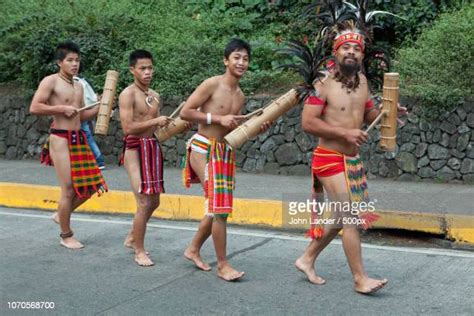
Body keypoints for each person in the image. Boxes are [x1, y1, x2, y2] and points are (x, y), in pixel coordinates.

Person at [294, 24, 407, 294]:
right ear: (336, 52)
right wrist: (345, 132)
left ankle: (306, 258)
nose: (352, 52)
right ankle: (360, 279)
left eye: (357, 48)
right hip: (329, 158)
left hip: (351, 161)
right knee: (352, 217)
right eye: (346, 47)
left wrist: (389, 114)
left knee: (340, 218)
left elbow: (368, 115)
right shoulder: (322, 83)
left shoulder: (363, 82)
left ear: (362, 55)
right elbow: (308, 123)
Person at [180, 38, 271, 281]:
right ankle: (223, 265)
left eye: (245, 59)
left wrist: (256, 129)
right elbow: (186, 112)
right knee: (219, 209)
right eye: (237, 57)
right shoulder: (212, 84)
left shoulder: (240, 95)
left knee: (215, 207)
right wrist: (218, 119)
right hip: (203, 148)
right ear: (226, 60)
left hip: (224, 152)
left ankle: (193, 249)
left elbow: (233, 130)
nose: (241, 62)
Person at [30, 41, 107, 249]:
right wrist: (62, 108)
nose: (75, 64)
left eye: (77, 60)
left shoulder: (79, 85)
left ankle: (61, 214)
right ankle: (66, 235)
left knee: (92, 186)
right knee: (68, 189)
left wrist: (102, 107)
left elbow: (81, 115)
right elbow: (35, 106)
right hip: (60, 138)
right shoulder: (50, 81)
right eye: (70, 60)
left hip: (78, 137)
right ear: (59, 62)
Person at [118, 49, 173, 267]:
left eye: (150, 67)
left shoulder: (155, 95)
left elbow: (156, 127)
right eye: (142, 68)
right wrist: (155, 121)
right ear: (132, 70)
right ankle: (139, 250)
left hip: (151, 146)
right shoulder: (127, 94)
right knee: (143, 200)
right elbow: (127, 127)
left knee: (155, 200)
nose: (147, 72)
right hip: (133, 149)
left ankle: (133, 236)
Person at [74, 76, 105, 169]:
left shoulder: (76, 82)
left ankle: (98, 159)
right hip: (87, 109)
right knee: (85, 135)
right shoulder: (83, 80)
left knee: (86, 136)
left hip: (82, 111)